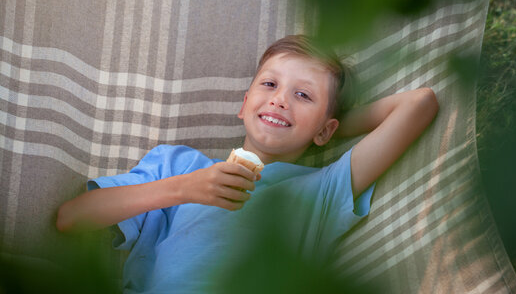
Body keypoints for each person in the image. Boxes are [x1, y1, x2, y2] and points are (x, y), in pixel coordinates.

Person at [56, 35, 439, 293]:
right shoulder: (178, 164)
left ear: (327, 130)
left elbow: (419, 105)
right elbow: (72, 218)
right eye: (269, 85)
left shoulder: (322, 189)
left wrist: (320, 131)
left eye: (303, 95)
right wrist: (184, 188)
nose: (280, 101)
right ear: (244, 104)